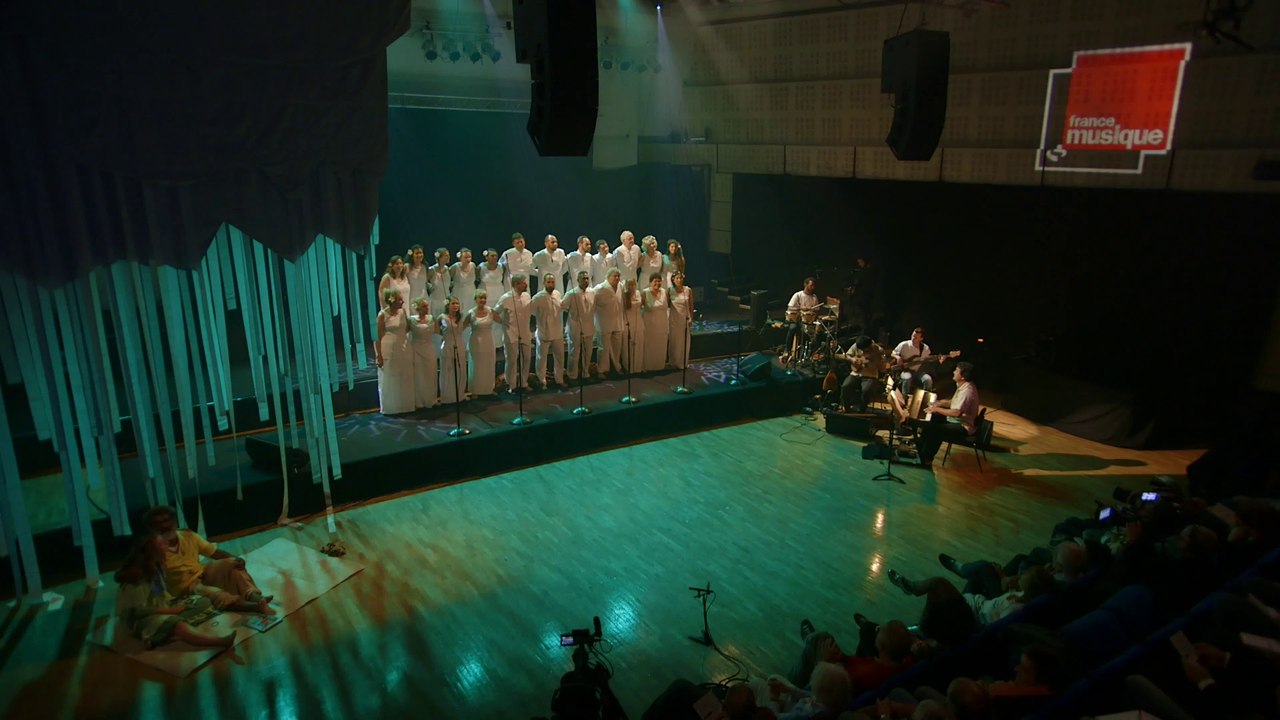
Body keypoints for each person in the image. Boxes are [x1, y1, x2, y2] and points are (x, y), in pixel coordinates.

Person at [141, 506, 272, 614]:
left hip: (202, 572)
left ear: (175, 522)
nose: (165, 525)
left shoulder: (187, 535)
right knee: (213, 593)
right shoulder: (153, 549)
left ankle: (255, 597)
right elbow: (153, 580)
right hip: (186, 587)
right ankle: (253, 607)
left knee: (233, 565)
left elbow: (213, 552)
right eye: (159, 524)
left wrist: (236, 559)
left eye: (167, 520)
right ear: (152, 529)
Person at [113, 534, 236, 650]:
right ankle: (218, 641)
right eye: (162, 544)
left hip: (163, 607)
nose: (167, 544)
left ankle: (161, 635)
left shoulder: (157, 565)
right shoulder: (136, 578)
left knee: (202, 602)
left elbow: (161, 594)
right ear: (153, 551)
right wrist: (169, 611)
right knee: (177, 624)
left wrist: (174, 605)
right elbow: (135, 611)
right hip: (142, 618)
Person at [916, 361, 980, 468]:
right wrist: (939, 403)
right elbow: (954, 402)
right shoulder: (963, 386)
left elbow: (957, 412)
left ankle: (927, 459)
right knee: (931, 420)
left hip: (963, 427)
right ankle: (919, 451)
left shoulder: (967, 391)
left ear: (963, 376)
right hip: (956, 421)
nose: (954, 372)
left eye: (957, 371)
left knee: (936, 429)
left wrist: (937, 409)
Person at [375, 288, 414, 415]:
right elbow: (377, 337)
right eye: (399, 299)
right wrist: (378, 356)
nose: (402, 301)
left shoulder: (403, 312)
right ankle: (391, 407)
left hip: (403, 346)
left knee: (404, 374)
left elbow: (407, 328)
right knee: (391, 376)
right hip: (388, 347)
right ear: (391, 301)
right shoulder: (382, 315)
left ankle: (405, 405)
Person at [496, 273, 534, 392]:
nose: (526, 284)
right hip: (511, 333)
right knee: (512, 360)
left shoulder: (527, 296)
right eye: (523, 282)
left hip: (525, 332)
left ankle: (523, 383)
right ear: (516, 284)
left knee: (526, 358)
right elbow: (494, 312)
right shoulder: (506, 297)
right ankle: (511, 385)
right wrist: (503, 323)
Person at [530, 272, 565, 388]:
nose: (551, 284)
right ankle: (541, 381)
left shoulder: (558, 294)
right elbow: (532, 312)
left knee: (560, 358)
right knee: (541, 359)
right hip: (543, 332)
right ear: (544, 283)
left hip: (557, 332)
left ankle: (559, 380)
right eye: (548, 282)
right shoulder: (538, 297)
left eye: (553, 282)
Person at [840, 335, 888, 413]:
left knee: (866, 390)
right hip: (856, 373)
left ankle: (862, 410)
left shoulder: (879, 350)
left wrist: (881, 364)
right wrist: (852, 359)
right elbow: (847, 355)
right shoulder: (857, 345)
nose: (864, 351)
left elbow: (882, 367)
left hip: (870, 375)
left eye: (866, 350)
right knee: (846, 386)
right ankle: (846, 408)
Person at [564, 270, 597, 383]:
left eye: (587, 278)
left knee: (588, 352)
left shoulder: (592, 292)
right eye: (583, 278)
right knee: (574, 352)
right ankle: (572, 375)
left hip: (589, 325)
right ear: (577, 280)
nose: (586, 280)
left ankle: (585, 373)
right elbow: (563, 307)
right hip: (575, 326)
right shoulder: (571, 293)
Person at [464, 291, 498, 397]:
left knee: (488, 364)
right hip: (476, 342)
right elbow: (462, 326)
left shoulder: (491, 311)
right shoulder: (471, 313)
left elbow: (502, 321)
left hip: (488, 341)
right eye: (480, 298)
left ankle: (488, 388)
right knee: (476, 366)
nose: (482, 300)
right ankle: (475, 390)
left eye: (484, 298)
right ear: (475, 299)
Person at [593, 268, 625, 376]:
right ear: (608, 277)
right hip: (604, 322)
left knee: (617, 347)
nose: (617, 278)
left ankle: (617, 367)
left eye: (618, 276)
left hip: (617, 321)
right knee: (603, 349)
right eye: (614, 276)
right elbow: (592, 302)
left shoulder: (620, 286)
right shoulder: (600, 288)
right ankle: (601, 370)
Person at [410, 298, 439, 409]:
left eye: (427, 306)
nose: (427, 308)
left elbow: (439, 331)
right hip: (416, 349)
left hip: (429, 348)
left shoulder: (432, 318)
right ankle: (419, 401)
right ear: (418, 308)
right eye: (424, 306)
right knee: (418, 375)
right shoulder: (411, 320)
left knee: (430, 373)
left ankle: (431, 400)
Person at [477, 248, 508, 350]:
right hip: (486, 296)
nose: (494, 258)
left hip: (498, 294)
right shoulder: (481, 267)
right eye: (492, 256)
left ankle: (499, 344)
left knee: (499, 319)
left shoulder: (501, 267)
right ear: (486, 257)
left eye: (496, 255)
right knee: (487, 319)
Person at [439, 296, 468, 403]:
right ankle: (448, 397)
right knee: (448, 370)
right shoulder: (442, 317)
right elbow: (437, 330)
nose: (456, 306)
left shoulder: (461, 317)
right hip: (448, 345)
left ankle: (459, 395)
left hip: (459, 344)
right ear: (447, 305)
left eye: (457, 303)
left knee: (460, 369)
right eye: (453, 303)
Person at [784, 277, 822, 360]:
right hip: (797, 319)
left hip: (808, 321)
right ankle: (787, 349)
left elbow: (816, 311)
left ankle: (812, 354)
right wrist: (802, 309)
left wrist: (814, 315)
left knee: (818, 331)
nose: (813, 288)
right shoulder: (798, 295)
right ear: (805, 284)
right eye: (811, 285)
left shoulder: (814, 297)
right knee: (793, 328)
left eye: (814, 286)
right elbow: (790, 308)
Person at [641, 272, 669, 372]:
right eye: (655, 281)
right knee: (649, 345)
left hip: (662, 323)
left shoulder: (665, 292)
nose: (657, 283)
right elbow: (640, 307)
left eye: (659, 281)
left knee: (660, 344)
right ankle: (648, 366)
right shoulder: (645, 292)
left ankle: (659, 365)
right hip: (649, 324)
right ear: (650, 282)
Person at [892, 328, 933, 395]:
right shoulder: (904, 345)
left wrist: (939, 359)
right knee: (907, 378)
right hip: (905, 370)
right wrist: (898, 357)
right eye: (913, 336)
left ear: (921, 339)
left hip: (918, 371)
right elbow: (893, 353)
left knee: (928, 379)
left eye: (916, 337)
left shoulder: (925, 348)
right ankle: (905, 397)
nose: (913, 338)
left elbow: (928, 359)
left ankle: (925, 399)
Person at [667, 272, 694, 370]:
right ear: (673, 280)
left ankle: (683, 362)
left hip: (685, 318)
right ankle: (673, 362)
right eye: (677, 278)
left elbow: (691, 306)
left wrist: (691, 318)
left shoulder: (687, 290)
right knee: (675, 340)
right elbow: (667, 304)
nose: (680, 280)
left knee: (684, 340)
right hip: (674, 319)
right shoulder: (670, 291)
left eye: (681, 278)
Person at [620, 277, 646, 374]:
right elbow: (628, 307)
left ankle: (638, 367)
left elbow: (641, 305)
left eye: (633, 284)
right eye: (630, 285)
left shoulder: (639, 293)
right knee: (629, 343)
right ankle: (629, 367)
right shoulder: (624, 295)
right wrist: (629, 295)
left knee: (639, 342)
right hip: (628, 321)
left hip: (638, 320)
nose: (632, 287)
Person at [450, 247, 478, 316]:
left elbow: (477, 277)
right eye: (466, 257)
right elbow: (447, 279)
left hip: (471, 293)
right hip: (458, 293)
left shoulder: (473, 265)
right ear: (460, 258)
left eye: (470, 257)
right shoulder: (455, 267)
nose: (468, 259)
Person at [426, 247, 452, 316]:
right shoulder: (432, 269)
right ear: (439, 257)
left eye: (448, 255)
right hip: (435, 301)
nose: (448, 257)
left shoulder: (447, 269)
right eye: (446, 255)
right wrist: (429, 286)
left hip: (446, 300)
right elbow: (424, 281)